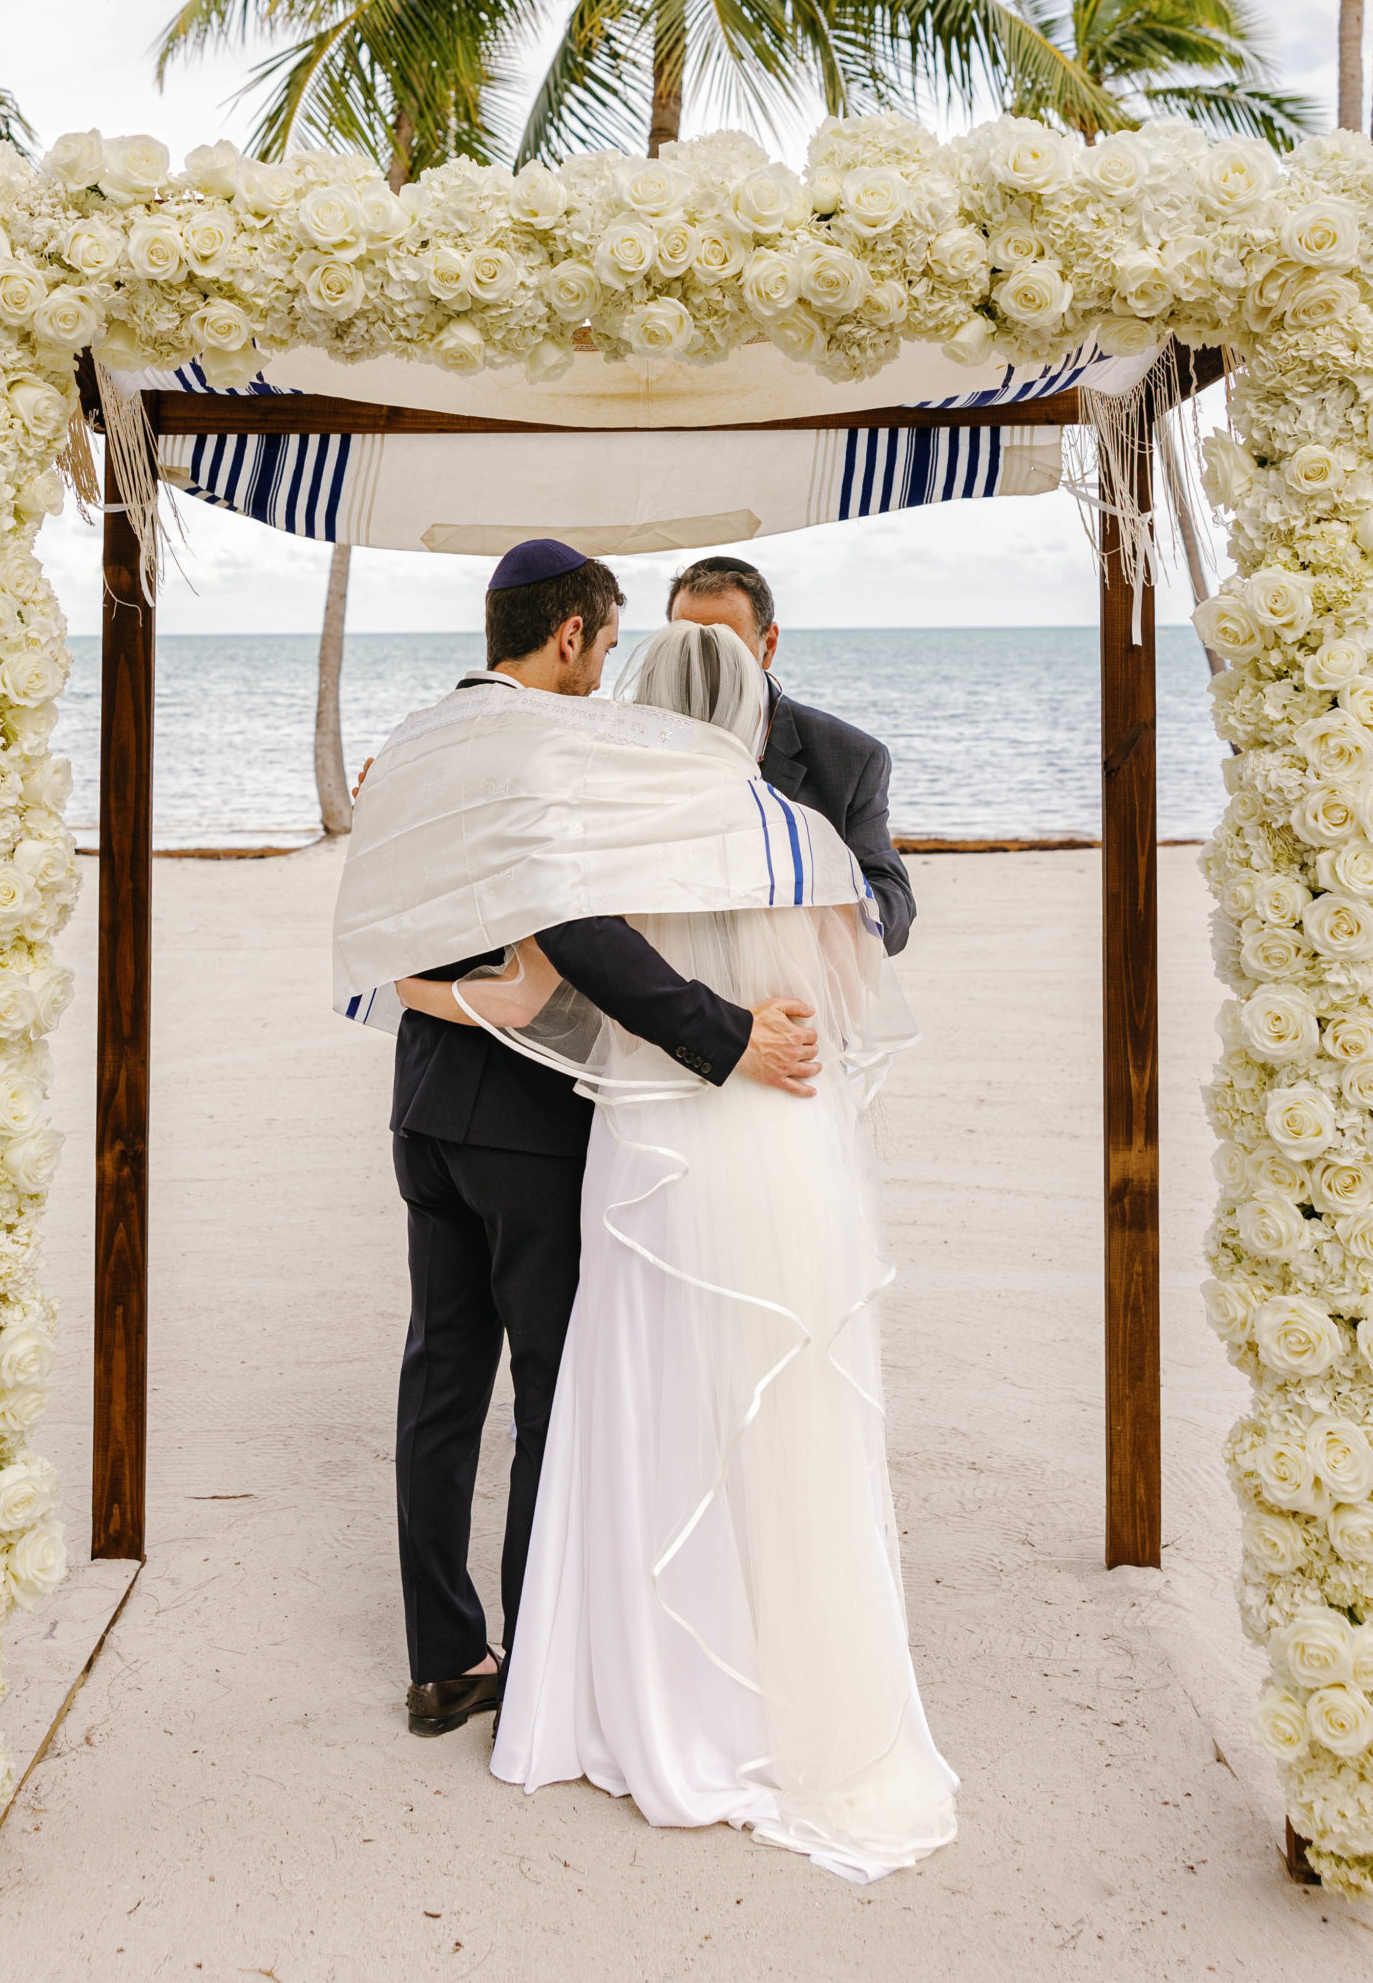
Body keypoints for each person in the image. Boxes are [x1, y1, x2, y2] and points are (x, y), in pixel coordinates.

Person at [479, 621, 957, 1880]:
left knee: (651, 1392)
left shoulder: (619, 836)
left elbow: (576, 981)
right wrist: (780, 1016)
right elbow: (852, 1002)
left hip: (661, 1143)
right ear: (754, 716)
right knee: (786, 1407)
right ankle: (786, 1691)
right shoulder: (800, 833)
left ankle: (636, 1695)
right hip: (786, 1140)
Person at [382, 540, 825, 1740]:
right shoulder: (540, 745)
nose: (607, 675)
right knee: (547, 1391)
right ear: (569, 635)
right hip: (522, 1122)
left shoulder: (420, 739)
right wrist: (725, 1034)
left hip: (423, 1102)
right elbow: (576, 925)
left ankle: (439, 1660)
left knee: (439, 1380)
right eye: (608, 644)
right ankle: (537, 1660)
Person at [667, 556, 915, 956]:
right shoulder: (634, 741)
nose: (703, 662)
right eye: (687, 642)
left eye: (725, 645)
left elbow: (894, 910)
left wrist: (802, 906)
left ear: (768, 646)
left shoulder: (849, 757)